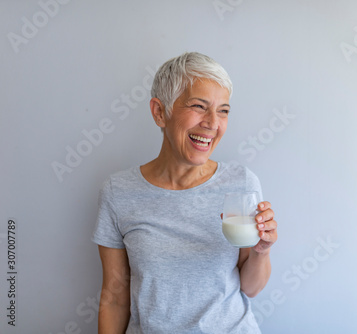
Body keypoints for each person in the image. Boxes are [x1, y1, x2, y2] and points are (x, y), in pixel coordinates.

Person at [92, 52, 278, 333]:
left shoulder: (241, 183)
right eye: (199, 106)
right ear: (159, 112)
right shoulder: (119, 192)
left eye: (223, 110)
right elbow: (115, 298)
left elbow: (251, 288)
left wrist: (261, 251)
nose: (213, 123)